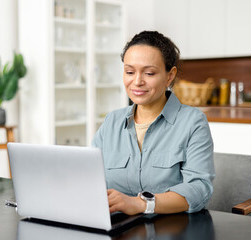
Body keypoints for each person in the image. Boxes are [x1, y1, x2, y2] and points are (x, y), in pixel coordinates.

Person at [92, 31, 215, 215]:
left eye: (149, 73)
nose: (137, 81)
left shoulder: (193, 122)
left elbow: (199, 189)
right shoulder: (112, 121)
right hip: (117, 227)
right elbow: (89, 179)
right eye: (129, 72)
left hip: (173, 229)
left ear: (169, 76)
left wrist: (141, 204)